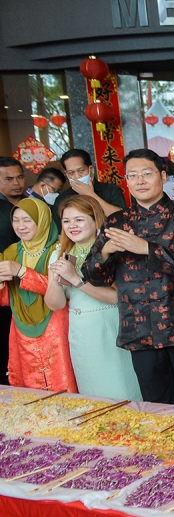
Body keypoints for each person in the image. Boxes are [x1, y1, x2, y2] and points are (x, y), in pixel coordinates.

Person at [82, 149, 174, 407]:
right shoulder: (117, 222)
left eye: (147, 173)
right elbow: (92, 276)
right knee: (156, 407)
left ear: (163, 176)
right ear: (126, 182)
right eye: (133, 175)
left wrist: (146, 248)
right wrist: (105, 251)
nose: (140, 181)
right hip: (140, 330)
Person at [43, 195, 141, 401]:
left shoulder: (108, 251)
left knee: (120, 386)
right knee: (92, 391)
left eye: (79, 219)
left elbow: (117, 297)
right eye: (67, 221)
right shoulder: (60, 254)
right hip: (81, 330)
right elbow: (56, 304)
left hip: (111, 326)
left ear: (95, 220)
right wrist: (56, 280)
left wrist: (76, 279)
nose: (72, 226)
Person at [0, 197, 76, 392]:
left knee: (61, 379)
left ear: (42, 220)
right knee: (29, 381)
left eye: (27, 220)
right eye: (16, 220)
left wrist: (22, 271)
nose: (20, 226)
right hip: (20, 326)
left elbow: (65, 289)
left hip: (56, 324)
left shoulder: (62, 249)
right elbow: (7, 298)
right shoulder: (10, 252)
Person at [0, 158, 27, 382]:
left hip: (28, 287)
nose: (16, 183)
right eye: (8, 179)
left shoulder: (35, 207)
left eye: (19, 177)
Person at [54, 149, 126, 218]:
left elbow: (121, 217)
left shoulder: (111, 190)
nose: (77, 176)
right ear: (66, 174)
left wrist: (90, 194)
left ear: (91, 169)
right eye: (71, 173)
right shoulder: (62, 199)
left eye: (81, 170)